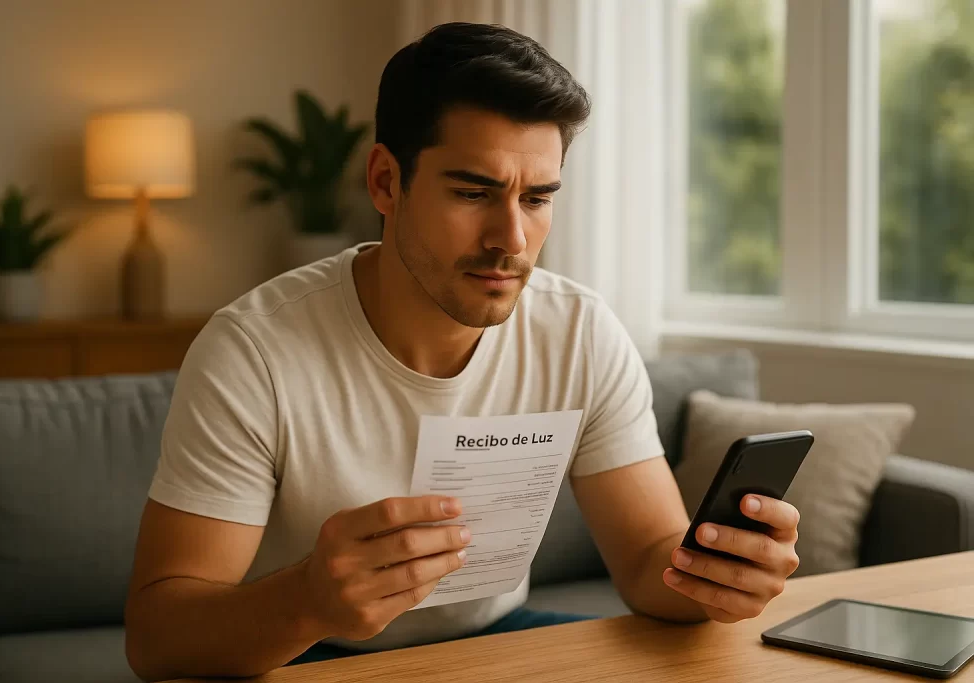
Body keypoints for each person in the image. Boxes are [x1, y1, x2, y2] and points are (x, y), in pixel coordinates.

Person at [123, 21, 802, 682]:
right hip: (301, 652)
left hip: (495, 640)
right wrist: (307, 597)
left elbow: (649, 564)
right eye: (473, 192)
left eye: (537, 198)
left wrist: (717, 575)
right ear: (387, 183)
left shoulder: (581, 332)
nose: (511, 237)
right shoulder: (252, 351)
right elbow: (156, 637)